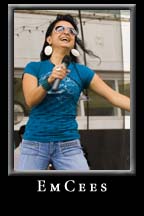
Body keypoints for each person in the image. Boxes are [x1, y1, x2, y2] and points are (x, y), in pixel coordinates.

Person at [17, 14, 130, 171]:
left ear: (74, 42)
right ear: (49, 39)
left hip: (68, 145)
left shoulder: (82, 72)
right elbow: (30, 100)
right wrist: (49, 81)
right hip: (34, 143)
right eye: (60, 29)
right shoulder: (34, 68)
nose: (67, 32)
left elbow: (113, 96)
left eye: (72, 31)